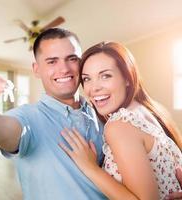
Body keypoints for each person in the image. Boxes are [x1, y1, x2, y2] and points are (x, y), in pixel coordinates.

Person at [0, 28, 107, 199]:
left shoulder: (100, 111)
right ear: (36, 69)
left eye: (72, 59)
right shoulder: (28, 117)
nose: (64, 69)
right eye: (52, 61)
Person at [59, 41, 182, 200]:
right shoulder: (146, 111)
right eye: (87, 79)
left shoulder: (120, 125)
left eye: (105, 76)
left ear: (127, 78)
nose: (94, 88)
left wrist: (90, 168)